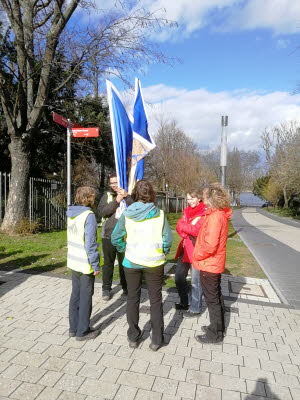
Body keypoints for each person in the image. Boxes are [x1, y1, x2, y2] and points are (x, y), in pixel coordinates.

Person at [111, 180, 173, 351]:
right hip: (154, 263)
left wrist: (125, 249)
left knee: (133, 298)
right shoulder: (159, 214)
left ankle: (133, 337)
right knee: (155, 300)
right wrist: (163, 251)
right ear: (151, 194)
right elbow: (168, 239)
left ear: (135, 194)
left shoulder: (127, 214)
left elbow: (115, 237)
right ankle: (157, 340)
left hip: (131, 261)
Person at [192, 184, 232, 344]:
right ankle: (217, 327)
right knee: (215, 296)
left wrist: (197, 255)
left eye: (204, 196)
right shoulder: (216, 214)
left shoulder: (216, 217)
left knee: (212, 299)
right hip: (212, 263)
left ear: (211, 198)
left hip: (209, 264)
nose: (203, 199)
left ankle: (215, 334)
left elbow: (210, 245)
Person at [67, 186, 101, 341]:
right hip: (85, 262)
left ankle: (73, 328)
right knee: (86, 296)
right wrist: (95, 264)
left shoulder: (71, 213)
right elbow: (90, 243)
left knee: (75, 295)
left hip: (73, 260)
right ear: (89, 198)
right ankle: (83, 331)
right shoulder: (89, 215)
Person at [97, 172, 132, 301]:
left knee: (125, 264)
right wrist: (116, 201)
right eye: (112, 183)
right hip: (108, 235)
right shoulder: (106, 196)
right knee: (108, 264)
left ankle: (126, 289)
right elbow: (102, 212)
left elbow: (135, 207)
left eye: (116, 182)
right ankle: (106, 289)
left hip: (125, 236)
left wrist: (126, 196)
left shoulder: (129, 194)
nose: (114, 185)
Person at [174, 189, 206, 317]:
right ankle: (184, 302)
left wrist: (185, 228)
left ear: (199, 199)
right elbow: (178, 226)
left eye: (192, 198)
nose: (190, 201)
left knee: (195, 282)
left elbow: (196, 230)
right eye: (188, 199)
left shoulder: (204, 212)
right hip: (184, 249)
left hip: (196, 251)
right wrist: (186, 231)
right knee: (179, 277)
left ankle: (195, 308)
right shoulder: (186, 211)